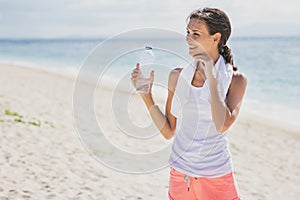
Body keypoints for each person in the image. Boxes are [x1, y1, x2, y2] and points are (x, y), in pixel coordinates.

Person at [131, 7, 247, 200]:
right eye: (188, 32)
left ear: (216, 38)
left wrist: (211, 76)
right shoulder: (177, 76)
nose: (188, 39)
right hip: (180, 176)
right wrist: (146, 96)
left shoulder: (236, 80)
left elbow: (222, 124)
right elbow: (169, 131)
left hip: (216, 178)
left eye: (196, 34)